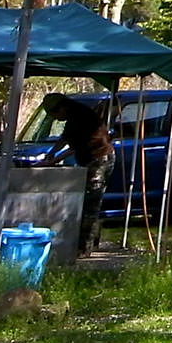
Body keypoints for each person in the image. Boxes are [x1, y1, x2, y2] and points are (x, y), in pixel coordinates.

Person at [38, 94, 115, 254]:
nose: (56, 118)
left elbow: (74, 147)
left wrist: (52, 162)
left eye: (55, 115)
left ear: (62, 107)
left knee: (89, 204)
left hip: (99, 158)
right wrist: (50, 154)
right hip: (91, 159)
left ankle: (84, 248)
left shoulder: (80, 117)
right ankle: (90, 243)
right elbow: (65, 138)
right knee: (90, 203)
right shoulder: (73, 115)